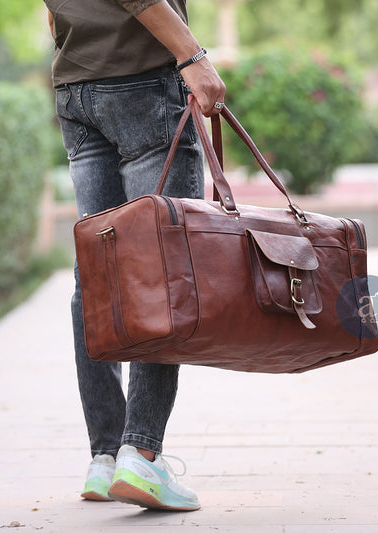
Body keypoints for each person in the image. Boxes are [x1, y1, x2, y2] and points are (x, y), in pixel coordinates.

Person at [44, 0, 225, 512]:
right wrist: (192, 56)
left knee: (98, 277)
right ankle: (141, 454)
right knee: (160, 274)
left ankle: (105, 458)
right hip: (142, 83)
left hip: (75, 88)